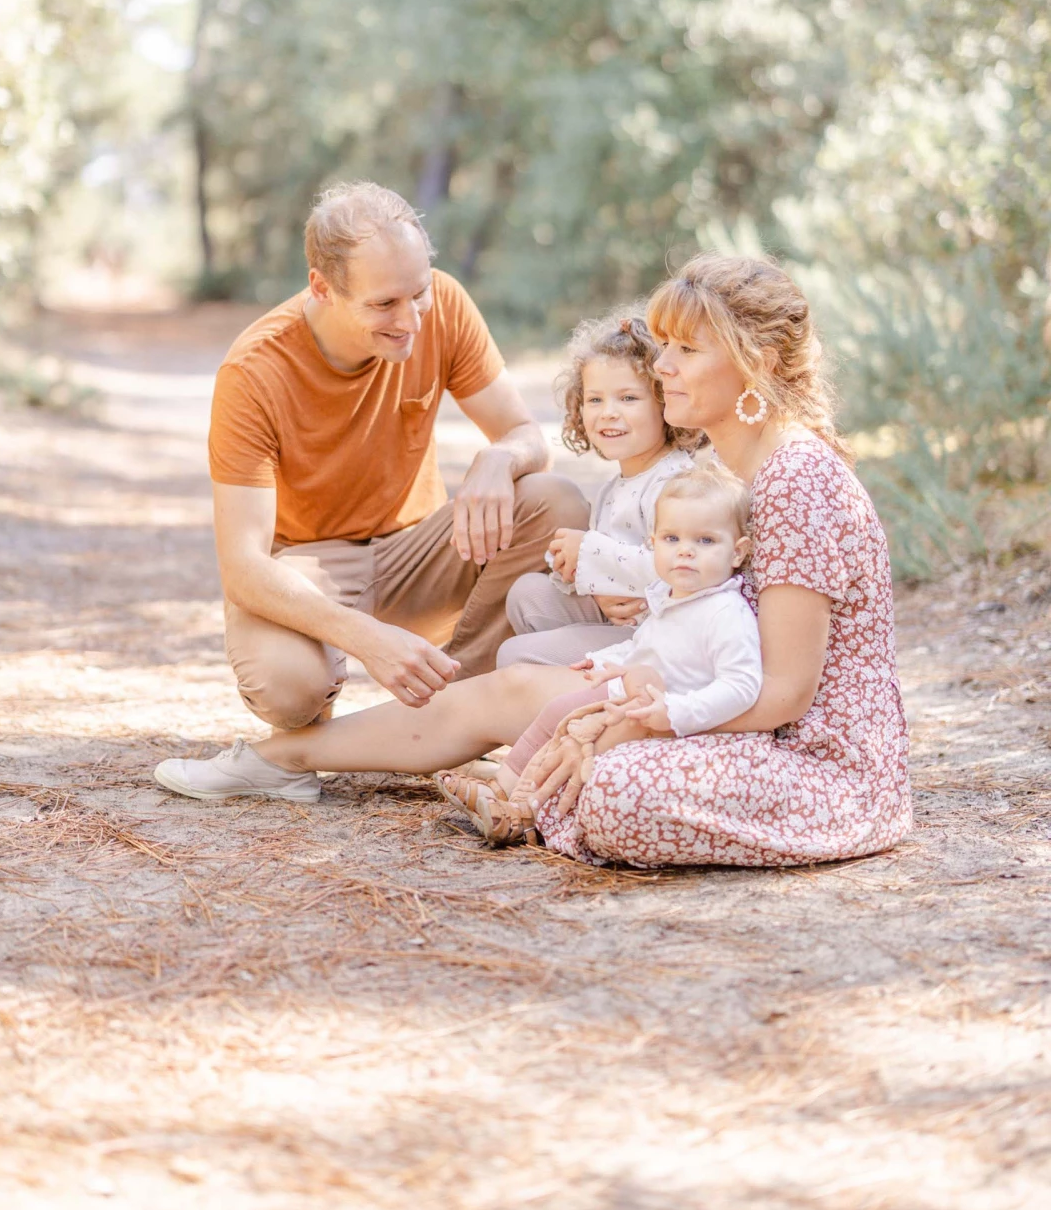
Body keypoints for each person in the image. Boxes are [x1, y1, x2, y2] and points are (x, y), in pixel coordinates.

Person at [157, 252, 912, 875]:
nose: (664, 368)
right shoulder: (736, 472)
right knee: (521, 686)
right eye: (664, 347)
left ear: (760, 362)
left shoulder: (795, 479)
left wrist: (632, 725)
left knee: (614, 789)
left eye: (687, 350)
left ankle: (543, 786)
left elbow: (783, 695)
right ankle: (279, 757)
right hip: (711, 706)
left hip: (808, 762)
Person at [154, 181, 589, 804]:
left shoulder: (445, 308)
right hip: (312, 567)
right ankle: (324, 735)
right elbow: (242, 566)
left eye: (420, 291)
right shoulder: (254, 372)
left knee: (556, 499)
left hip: (421, 549)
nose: (410, 320)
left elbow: (524, 433)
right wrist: (366, 638)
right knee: (287, 687)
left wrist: (501, 456)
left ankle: (454, 712)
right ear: (322, 287)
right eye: (385, 303)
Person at [440, 460, 764, 844]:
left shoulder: (725, 611)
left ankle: (525, 813)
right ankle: (503, 787)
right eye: (672, 540)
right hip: (635, 698)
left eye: (705, 541)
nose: (686, 553)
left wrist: (677, 713)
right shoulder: (671, 595)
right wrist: (607, 662)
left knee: (579, 742)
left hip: (673, 719)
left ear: (738, 552)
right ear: (653, 543)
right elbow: (647, 647)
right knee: (559, 713)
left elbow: (743, 684)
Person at [495, 309, 693, 670]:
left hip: (656, 635)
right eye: (595, 400)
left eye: (628, 399)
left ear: (665, 403)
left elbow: (681, 570)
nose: (608, 413)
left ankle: (579, 697)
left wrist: (588, 551)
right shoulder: (615, 486)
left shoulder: (676, 483)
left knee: (514, 655)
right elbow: (607, 566)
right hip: (619, 618)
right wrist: (575, 567)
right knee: (527, 592)